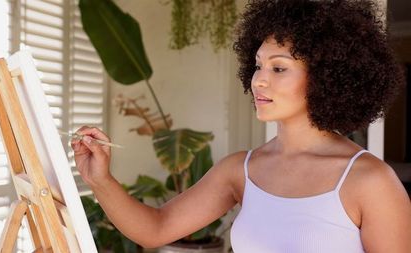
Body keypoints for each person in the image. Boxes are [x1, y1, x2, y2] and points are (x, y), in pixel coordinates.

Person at [72, 0, 411, 252]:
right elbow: (155, 229)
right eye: (258, 65)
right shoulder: (240, 170)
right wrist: (99, 179)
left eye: (278, 69)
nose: (259, 81)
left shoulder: (370, 181)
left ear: (327, 77)